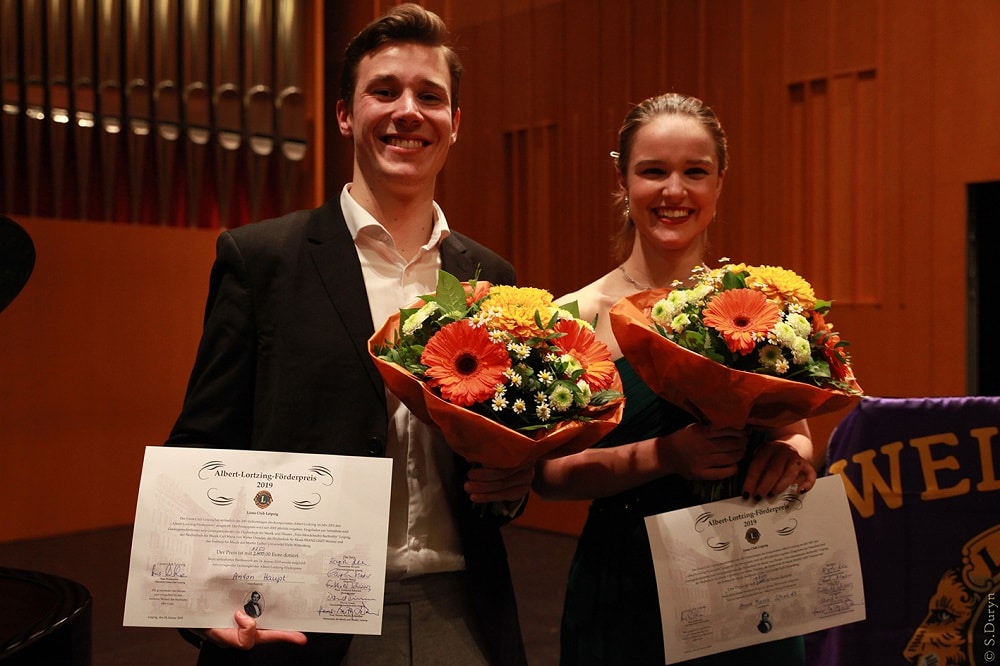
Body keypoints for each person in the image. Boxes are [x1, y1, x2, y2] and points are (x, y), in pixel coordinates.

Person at [166, 4, 531, 664]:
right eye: (383, 91)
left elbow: (503, 440)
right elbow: (202, 443)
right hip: (299, 618)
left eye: (430, 97)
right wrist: (199, 604)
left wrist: (511, 481)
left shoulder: (490, 277)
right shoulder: (262, 259)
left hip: (462, 611)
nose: (408, 111)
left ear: (455, 123)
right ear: (344, 114)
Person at [532, 93, 818, 665]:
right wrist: (666, 455)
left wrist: (789, 458)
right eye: (653, 171)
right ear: (622, 180)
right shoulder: (574, 316)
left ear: (720, 183)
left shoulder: (757, 308)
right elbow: (548, 476)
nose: (674, 191)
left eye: (695, 172)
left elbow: (797, 434)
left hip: (748, 583)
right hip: (625, 585)